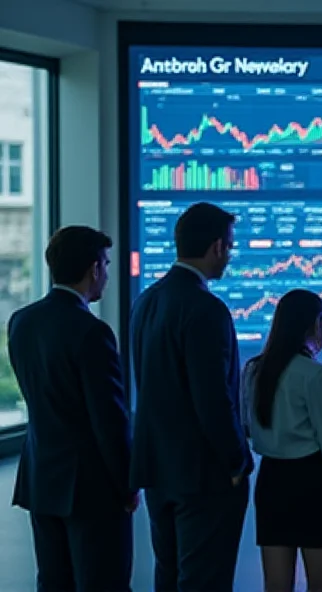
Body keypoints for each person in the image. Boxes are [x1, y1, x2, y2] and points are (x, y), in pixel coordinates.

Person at [130, 202, 253, 591]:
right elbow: (213, 398)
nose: (230, 256)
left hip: (158, 469)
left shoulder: (146, 301)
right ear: (216, 246)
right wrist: (236, 461)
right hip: (204, 474)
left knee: (169, 574)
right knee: (205, 580)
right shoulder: (206, 309)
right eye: (230, 247)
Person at [8, 226, 136, 591]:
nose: (107, 276)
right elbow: (108, 419)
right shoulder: (91, 331)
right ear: (94, 269)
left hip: (41, 478)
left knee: (53, 582)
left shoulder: (22, 322)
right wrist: (127, 484)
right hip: (91, 488)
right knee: (103, 583)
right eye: (106, 266)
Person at [241, 289, 322, 592]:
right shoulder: (316, 374)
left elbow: (248, 425)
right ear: (314, 324)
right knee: (321, 585)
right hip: (313, 481)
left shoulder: (254, 370)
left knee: (276, 585)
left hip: (271, 481)